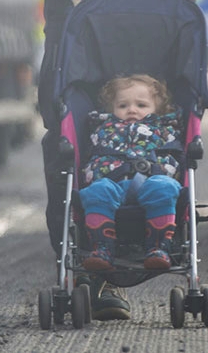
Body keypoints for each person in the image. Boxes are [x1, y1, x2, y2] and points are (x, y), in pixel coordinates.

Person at [19, 0, 208, 321]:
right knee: (67, 139)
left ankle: (155, 243)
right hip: (80, 8)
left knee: (164, 134)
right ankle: (92, 276)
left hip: (165, 9)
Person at [81, 74, 182, 271]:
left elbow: (174, 157)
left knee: (165, 187)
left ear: (158, 109)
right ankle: (102, 248)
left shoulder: (164, 130)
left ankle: (158, 247)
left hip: (151, 180)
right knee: (96, 191)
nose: (132, 110)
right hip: (112, 181)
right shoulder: (102, 129)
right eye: (123, 106)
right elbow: (91, 156)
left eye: (141, 105)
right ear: (111, 109)